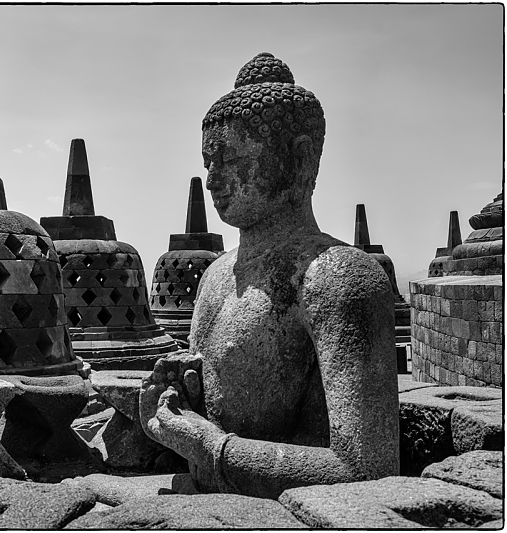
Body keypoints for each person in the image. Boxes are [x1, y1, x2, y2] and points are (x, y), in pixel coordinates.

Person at [139, 52, 400, 499]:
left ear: (298, 159)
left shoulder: (337, 278)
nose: (212, 179)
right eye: (208, 162)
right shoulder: (215, 276)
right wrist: (174, 403)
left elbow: (366, 469)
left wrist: (210, 447)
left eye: (231, 159)